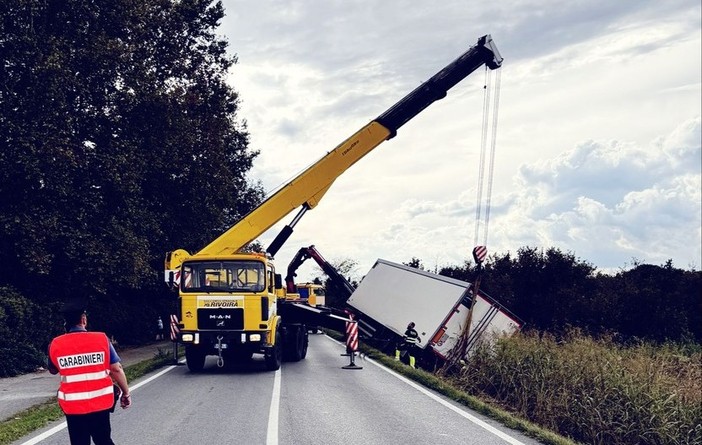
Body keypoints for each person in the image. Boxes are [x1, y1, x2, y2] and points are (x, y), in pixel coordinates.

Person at [48, 304, 132, 445]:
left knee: (79, 442)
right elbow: (116, 369)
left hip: (73, 405)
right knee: (103, 440)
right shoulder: (101, 339)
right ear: (83, 320)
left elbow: (53, 369)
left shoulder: (55, 344)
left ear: (65, 323)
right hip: (100, 403)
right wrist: (126, 393)